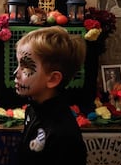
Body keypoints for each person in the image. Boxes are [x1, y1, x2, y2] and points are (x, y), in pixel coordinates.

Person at [14, 26, 87, 165]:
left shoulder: (63, 134)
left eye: (26, 67)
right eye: (18, 65)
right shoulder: (33, 109)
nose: (16, 74)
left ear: (53, 79)